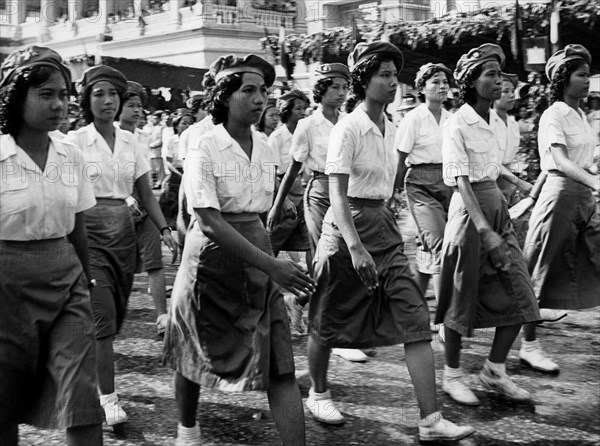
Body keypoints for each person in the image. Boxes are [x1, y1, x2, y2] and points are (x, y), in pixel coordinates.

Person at [307, 41, 474, 442]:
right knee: (328, 318)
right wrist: (355, 246)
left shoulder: (393, 126)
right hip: (346, 229)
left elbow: (392, 183)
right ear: (363, 81)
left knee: (414, 318)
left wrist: (393, 215)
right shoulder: (349, 127)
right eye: (383, 75)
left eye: (393, 75)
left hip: (384, 226)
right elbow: (337, 193)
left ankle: (430, 420)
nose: (391, 81)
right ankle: (318, 392)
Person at [163, 53, 315, 446]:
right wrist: (273, 265)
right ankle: (187, 429)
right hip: (211, 263)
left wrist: (269, 257)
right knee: (193, 350)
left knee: (280, 364)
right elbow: (209, 219)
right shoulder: (205, 145)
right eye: (248, 90)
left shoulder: (266, 147)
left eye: (264, 90)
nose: (260, 98)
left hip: (256, 262)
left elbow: (260, 213)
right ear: (224, 96)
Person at [0, 46, 102, 446]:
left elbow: (78, 225)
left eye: (63, 94)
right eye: (46, 94)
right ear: (14, 96)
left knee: (81, 394)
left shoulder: (70, 154)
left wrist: (87, 282)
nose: (59, 104)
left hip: (66, 281)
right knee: (4, 398)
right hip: (6, 285)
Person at [65, 65, 178, 427]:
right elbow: (66, 197)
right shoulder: (74, 142)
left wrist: (164, 229)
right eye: (99, 94)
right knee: (101, 320)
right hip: (87, 234)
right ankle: (108, 397)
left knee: (112, 319)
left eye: (113, 94)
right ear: (87, 100)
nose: (108, 101)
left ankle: (80, 371)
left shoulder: (132, 142)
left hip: (123, 236)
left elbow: (145, 192)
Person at [436, 44, 540, 407]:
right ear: (471, 81)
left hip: (497, 213)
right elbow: (461, 180)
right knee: (460, 300)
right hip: (470, 218)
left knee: (522, 296)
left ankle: (494, 371)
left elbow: (491, 165)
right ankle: (451, 375)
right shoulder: (456, 123)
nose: (499, 80)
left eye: (499, 73)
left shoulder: (492, 119)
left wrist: (517, 183)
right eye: (490, 75)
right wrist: (484, 230)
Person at [267, 63, 367, 362]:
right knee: (327, 259)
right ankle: (333, 335)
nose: (340, 93)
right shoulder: (307, 126)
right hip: (321, 194)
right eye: (334, 87)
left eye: (343, 87)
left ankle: (300, 301)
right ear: (320, 90)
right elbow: (294, 167)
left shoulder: (351, 121)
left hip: (349, 193)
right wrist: (276, 205)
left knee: (346, 262)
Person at [520, 44, 600, 373]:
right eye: (581, 75)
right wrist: (596, 182)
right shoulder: (554, 114)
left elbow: (583, 159)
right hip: (562, 195)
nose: (588, 81)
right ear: (564, 78)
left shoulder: (580, 114)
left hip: (584, 196)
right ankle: (528, 345)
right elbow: (560, 162)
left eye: (588, 75)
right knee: (540, 268)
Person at [394, 62, 454, 336]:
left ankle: (408, 312)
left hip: (448, 184)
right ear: (421, 88)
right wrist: (392, 195)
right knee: (442, 246)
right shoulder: (413, 119)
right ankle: (443, 320)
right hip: (419, 185)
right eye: (435, 82)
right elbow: (400, 160)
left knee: (428, 253)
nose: (442, 86)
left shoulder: (451, 118)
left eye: (444, 82)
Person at [118, 80, 172, 337]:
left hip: (146, 206)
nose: (137, 111)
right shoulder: (110, 136)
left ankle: (162, 316)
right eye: (131, 105)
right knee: (120, 267)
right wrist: (126, 199)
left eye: (140, 106)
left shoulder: (143, 138)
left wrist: (164, 227)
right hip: (119, 210)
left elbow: (146, 181)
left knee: (155, 262)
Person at [266, 90, 311, 263]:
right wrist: (283, 201)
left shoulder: (306, 133)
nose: (302, 112)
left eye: (304, 108)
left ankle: (315, 283)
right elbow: (270, 174)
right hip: (282, 194)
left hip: (304, 194)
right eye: (298, 108)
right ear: (287, 111)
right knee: (273, 241)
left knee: (310, 242)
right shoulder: (276, 138)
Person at [491, 72, 523, 206]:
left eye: (513, 91)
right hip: (492, 181)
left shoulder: (513, 124)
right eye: (506, 91)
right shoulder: (487, 122)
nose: (512, 95)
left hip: (510, 181)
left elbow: (514, 156)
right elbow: (491, 160)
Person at [160, 110, 193, 228]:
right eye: (184, 123)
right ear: (176, 125)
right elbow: (168, 162)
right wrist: (180, 175)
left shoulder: (194, 140)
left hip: (190, 171)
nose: (187, 126)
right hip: (175, 173)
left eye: (190, 123)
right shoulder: (171, 141)